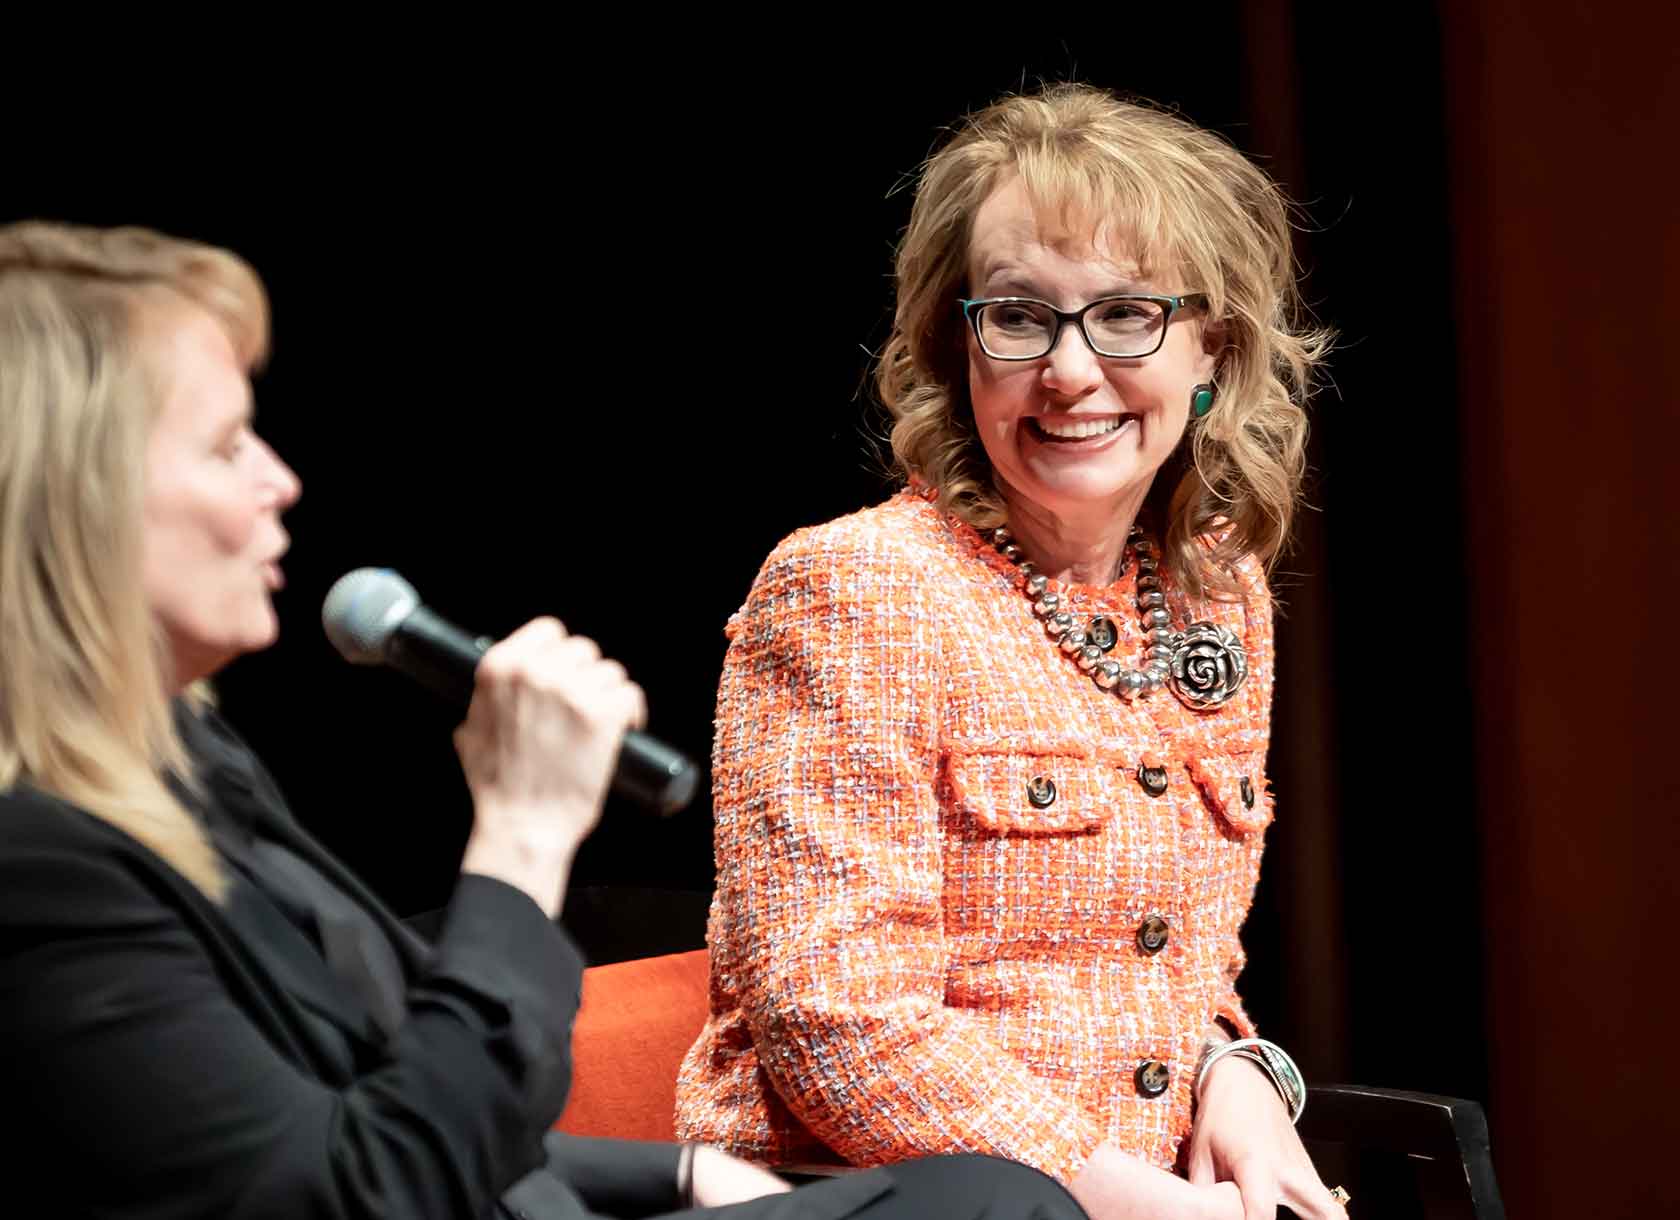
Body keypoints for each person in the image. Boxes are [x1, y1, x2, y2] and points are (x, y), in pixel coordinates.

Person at [0, 221, 1089, 1220]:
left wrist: (669, 1167)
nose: (279, 481)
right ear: (76, 502)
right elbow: (360, 1192)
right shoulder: (37, 869)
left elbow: (376, 1087)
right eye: (227, 446)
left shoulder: (178, 757)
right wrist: (520, 833)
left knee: (991, 1198)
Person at [675, 84, 1346, 1220]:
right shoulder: (858, 590)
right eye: (1021, 318)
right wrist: (1141, 1203)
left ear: (1211, 351)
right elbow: (839, 1026)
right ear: (960, 342)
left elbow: (1173, 961)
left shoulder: (1216, 597)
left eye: (1127, 314)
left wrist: (1234, 1062)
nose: (1071, 372)